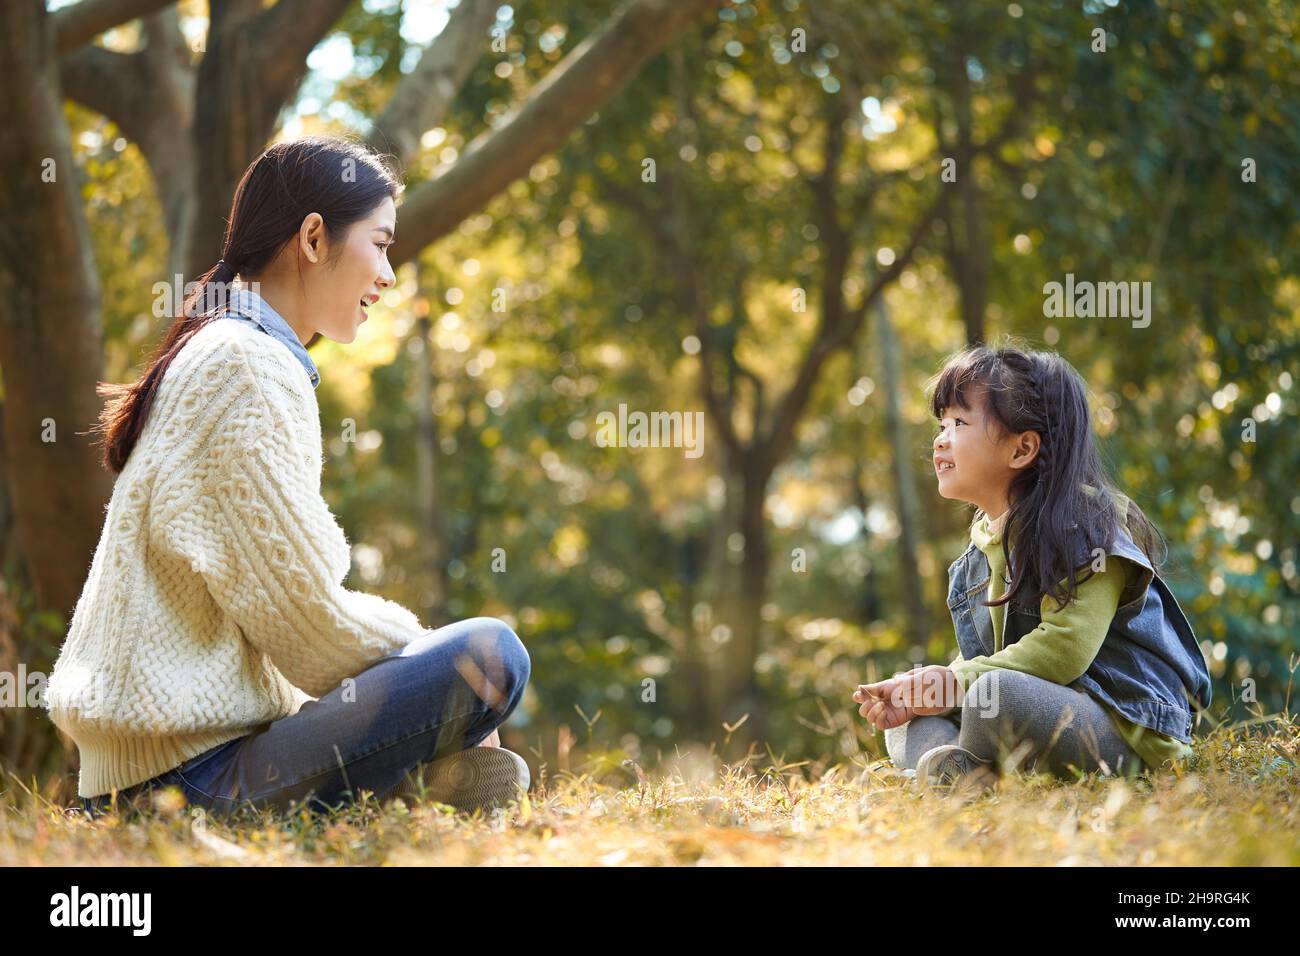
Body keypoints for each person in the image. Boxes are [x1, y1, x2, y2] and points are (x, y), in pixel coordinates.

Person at [45, 136, 531, 820]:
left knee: (479, 735)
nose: (389, 274)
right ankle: (401, 798)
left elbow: (275, 613)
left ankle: (400, 800)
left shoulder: (228, 350)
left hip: (165, 770)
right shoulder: (245, 366)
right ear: (312, 237)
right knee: (493, 652)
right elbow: (308, 622)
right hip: (184, 784)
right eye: (381, 243)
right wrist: (428, 658)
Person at [853, 341, 1212, 793]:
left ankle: (964, 766)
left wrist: (952, 683)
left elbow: (1062, 651)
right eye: (941, 423)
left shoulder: (1088, 526)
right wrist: (921, 690)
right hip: (1027, 711)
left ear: (1022, 450)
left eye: (960, 422)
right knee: (905, 719)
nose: (941, 438)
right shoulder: (982, 548)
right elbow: (991, 654)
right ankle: (955, 768)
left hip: (1118, 725)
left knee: (992, 695)